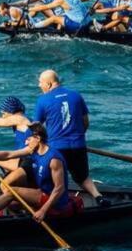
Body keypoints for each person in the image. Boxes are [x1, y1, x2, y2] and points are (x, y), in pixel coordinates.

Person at [0, 122, 80, 220]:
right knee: (11, 204)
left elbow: (59, 188)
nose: (26, 143)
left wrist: (43, 210)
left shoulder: (54, 159)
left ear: (37, 138)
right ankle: (26, 220)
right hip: (42, 193)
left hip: (57, 203)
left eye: (28, 139)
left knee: (13, 192)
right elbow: (8, 154)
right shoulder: (33, 150)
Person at [34, 70, 106, 205]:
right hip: (78, 145)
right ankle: (98, 197)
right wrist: (77, 137)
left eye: (40, 82)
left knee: (54, 181)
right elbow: (85, 122)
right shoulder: (76, 96)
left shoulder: (43, 100)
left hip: (57, 149)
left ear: (49, 84)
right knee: (82, 177)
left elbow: (36, 127)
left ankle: (56, 205)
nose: (39, 85)